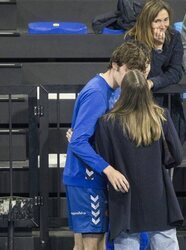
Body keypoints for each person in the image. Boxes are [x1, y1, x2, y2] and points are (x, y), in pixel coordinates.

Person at [63, 41, 151, 250]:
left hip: (90, 178)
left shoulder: (112, 90)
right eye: (128, 71)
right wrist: (109, 170)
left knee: (92, 245)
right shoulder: (96, 93)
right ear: (115, 65)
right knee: (91, 246)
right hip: (86, 178)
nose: (131, 78)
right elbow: (78, 140)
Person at [95, 69, 184, 250]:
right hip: (159, 198)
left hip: (124, 201)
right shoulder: (161, 116)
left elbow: (104, 163)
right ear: (146, 91)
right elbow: (176, 156)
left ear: (123, 92)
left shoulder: (107, 123)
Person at [125, 0, 185, 143]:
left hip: (169, 104)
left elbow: (176, 72)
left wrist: (152, 83)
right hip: (143, 105)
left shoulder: (174, 37)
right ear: (147, 22)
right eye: (157, 21)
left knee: (172, 151)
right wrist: (158, 50)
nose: (163, 25)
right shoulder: (133, 39)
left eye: (166, 20)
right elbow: (145, 73)